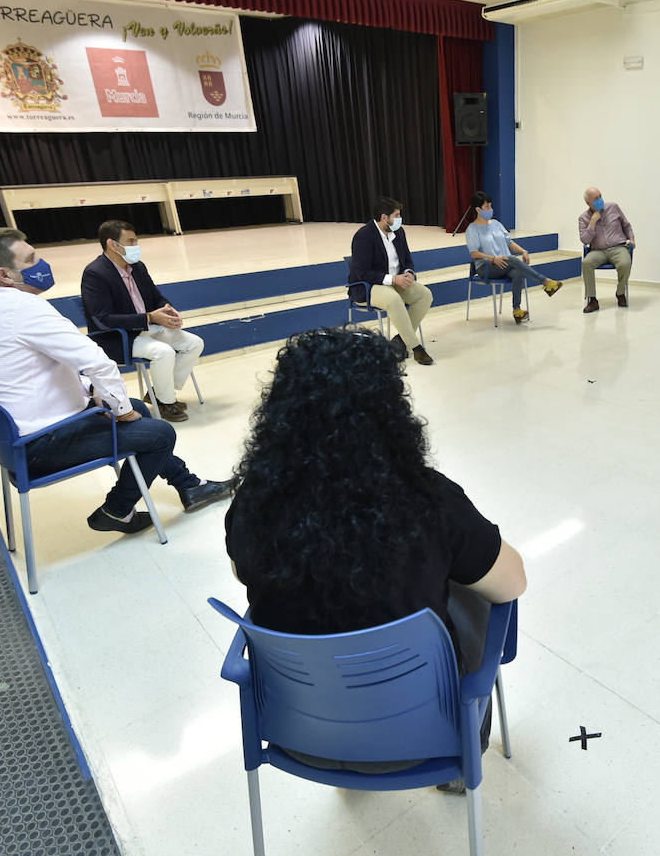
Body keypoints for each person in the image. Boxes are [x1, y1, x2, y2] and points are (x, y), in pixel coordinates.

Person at [224, 327, 527, 786]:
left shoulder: (250, 507)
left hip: (300, 733)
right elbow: (513, 584)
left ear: (280, 412)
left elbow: (241, 572)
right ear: (391, 410)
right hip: (428, 737)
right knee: (477, 589)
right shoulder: (430, 501)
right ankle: (458, 769)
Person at [0, 228, 234, 533]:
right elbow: (96, 361)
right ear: (5, 275)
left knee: (138, 411)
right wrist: (119, 410)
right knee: (159, 433)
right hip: (40, 445)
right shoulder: (22, 309)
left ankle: (189, 485)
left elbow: (51, 368)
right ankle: (117, 510)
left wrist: (96, 395)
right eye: (31, 259)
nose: (41, 264)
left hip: (21, 438)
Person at [80, 220, 204, 422]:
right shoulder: (95, 273)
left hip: (148, 326)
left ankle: (158, 393)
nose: (135, 247)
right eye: (131, 242)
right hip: (119, 336)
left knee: (194, 343)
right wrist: (148, 317)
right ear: (113, 244)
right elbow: (103, 318)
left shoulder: (137, 267)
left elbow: (156, 297)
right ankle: (165, 403)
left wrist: (167, 310)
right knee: (163, 352)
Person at [348, 196, 435, 365]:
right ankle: (416, 347)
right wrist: (392, 279)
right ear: (383, 217)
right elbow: (362, 272)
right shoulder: (363, 236)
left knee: (425, 295)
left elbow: (407, 259)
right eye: (396, 215)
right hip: (370, 285)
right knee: (394, 299)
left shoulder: (399, 232)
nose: (399, 219)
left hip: (397, 281)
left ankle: (399, 342)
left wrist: (408, 273)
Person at [464, 190, 564, 324]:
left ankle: (517, 310)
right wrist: (494, 259)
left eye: (490, 206)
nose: (490, 209)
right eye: (487, 207)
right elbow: (474, 253)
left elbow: (509, 243)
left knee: (518, 272)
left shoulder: (496, 224)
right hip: (487, 267)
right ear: (478, 209)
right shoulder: (472, 229)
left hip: (504, 264)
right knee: (510, 258)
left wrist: (523, 251)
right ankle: (545, 282)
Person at [578, 187, 635, 313]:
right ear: (588, 203)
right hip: (598, 251)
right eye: (596, 198)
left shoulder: (613, 207)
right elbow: (585, 240)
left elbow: (626, 225)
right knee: (586, 263)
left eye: (600, 196)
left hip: (618, 247)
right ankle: (592, 300)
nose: (600, 200)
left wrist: (632, 239)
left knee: (625, 263)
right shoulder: (583, 218)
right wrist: (592, 221)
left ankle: (620, 293)